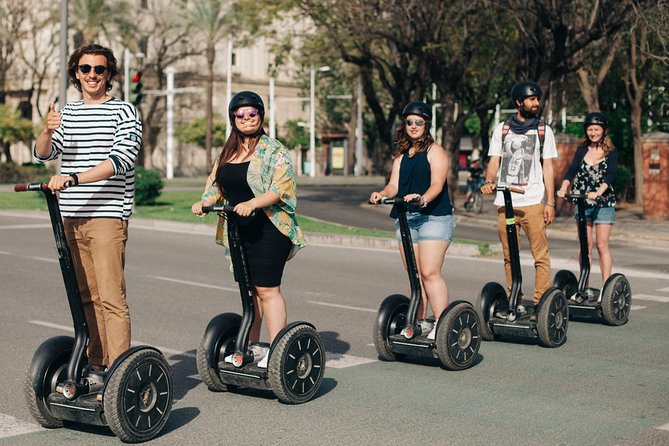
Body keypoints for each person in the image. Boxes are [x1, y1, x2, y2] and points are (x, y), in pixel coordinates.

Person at [34, 43, 142, 372]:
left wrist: (74, 178)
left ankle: (120, 371)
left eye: (100, 70)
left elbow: (122, 159)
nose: (92, 75)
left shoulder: (125, 111)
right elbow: (44, 153)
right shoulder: (67, 112)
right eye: (85, 69)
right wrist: (47, 129)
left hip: (108, 215)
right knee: (84, 296)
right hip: (72, 216)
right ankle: (97, 365)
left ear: (109, 75)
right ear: (75, 73)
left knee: (110, 297)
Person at [192, 91, 307, 368]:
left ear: (260, 116)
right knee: (249, 290)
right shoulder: (229, 151)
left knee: (267, 290)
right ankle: (254, 346)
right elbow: (216, 185)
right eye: (240, 114)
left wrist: (253, 203)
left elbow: (282, 188)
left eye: (251, 113)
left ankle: (278, 351)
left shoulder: (273, 150)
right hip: (239, 228)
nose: (246, 118)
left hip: (269, 228)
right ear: (233, 118)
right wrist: (205, 202)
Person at [369, 101, 455, 340]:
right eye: (409, 122)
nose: (414, 126)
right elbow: (393, 185)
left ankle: (441, 323)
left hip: (434, 217)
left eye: (419, 122)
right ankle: (418, 322)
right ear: (404, 124)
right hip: (407, 217)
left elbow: (437, 184)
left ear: (426, 124)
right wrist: (383, 194)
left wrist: (422, 198)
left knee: (429, 272)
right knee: (414, 275)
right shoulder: (401, 157)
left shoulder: (435, 151)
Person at [480, 81, 558, 311]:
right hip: (506, 202)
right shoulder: (502, 130)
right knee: (509, 255)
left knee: (540, 256)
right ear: (518, 102)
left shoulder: (544, 131)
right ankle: (515, 298)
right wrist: (488, 180)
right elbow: (494, 160)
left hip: (533, 201)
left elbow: (548, 167)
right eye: (532, 100)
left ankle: (540, 302)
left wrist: (550, 202)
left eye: (537, 99)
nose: (536, 103)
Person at [557, 112, 618, 286]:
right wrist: (563, 187)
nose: (593, 133)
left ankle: (606, 287)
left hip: (603, 203)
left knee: (601, 245)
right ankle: (583, 286)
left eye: (596, 129)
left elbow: (610, 175)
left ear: (603, 131)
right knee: (586, 245)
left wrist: (599, 192)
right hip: (582, 202)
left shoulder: (611, 152)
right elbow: (571, 171)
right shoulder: (582, 150)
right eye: (590, 129)